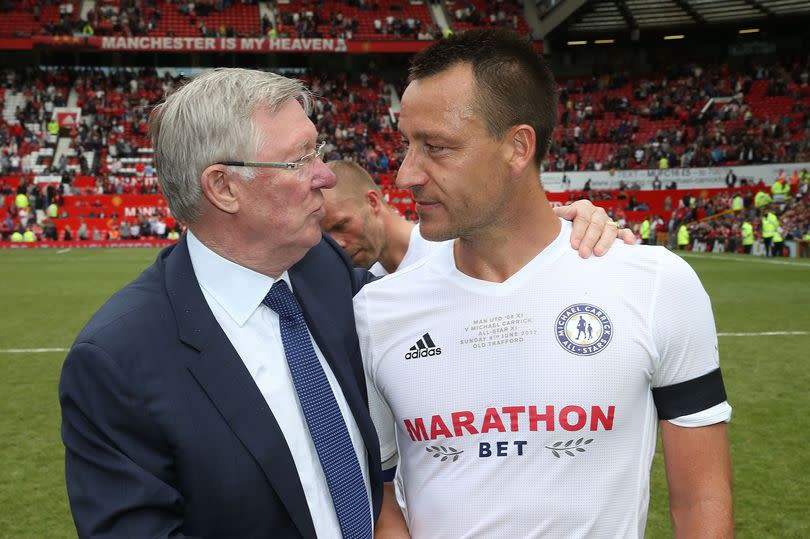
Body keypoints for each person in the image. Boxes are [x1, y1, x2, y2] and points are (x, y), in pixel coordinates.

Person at [354, 30, 732, 538]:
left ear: (518, 146)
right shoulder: (378, 312)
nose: (406, 175)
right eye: (407, 145)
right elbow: (379, 497)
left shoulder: (654, 284)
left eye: (436, 148)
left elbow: (701, 498)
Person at [59, 68, 382, 538]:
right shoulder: (117, 363)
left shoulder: (323, 266)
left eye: (319, 151)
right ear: (224, 187)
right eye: (299, 160)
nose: (326, 175)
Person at [321, 161, 634, 276]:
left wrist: (577, 223)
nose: (337, 243)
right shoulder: (363, 290)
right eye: (326, 234)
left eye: (340, 225)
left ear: (373, 201)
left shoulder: (460, 249)